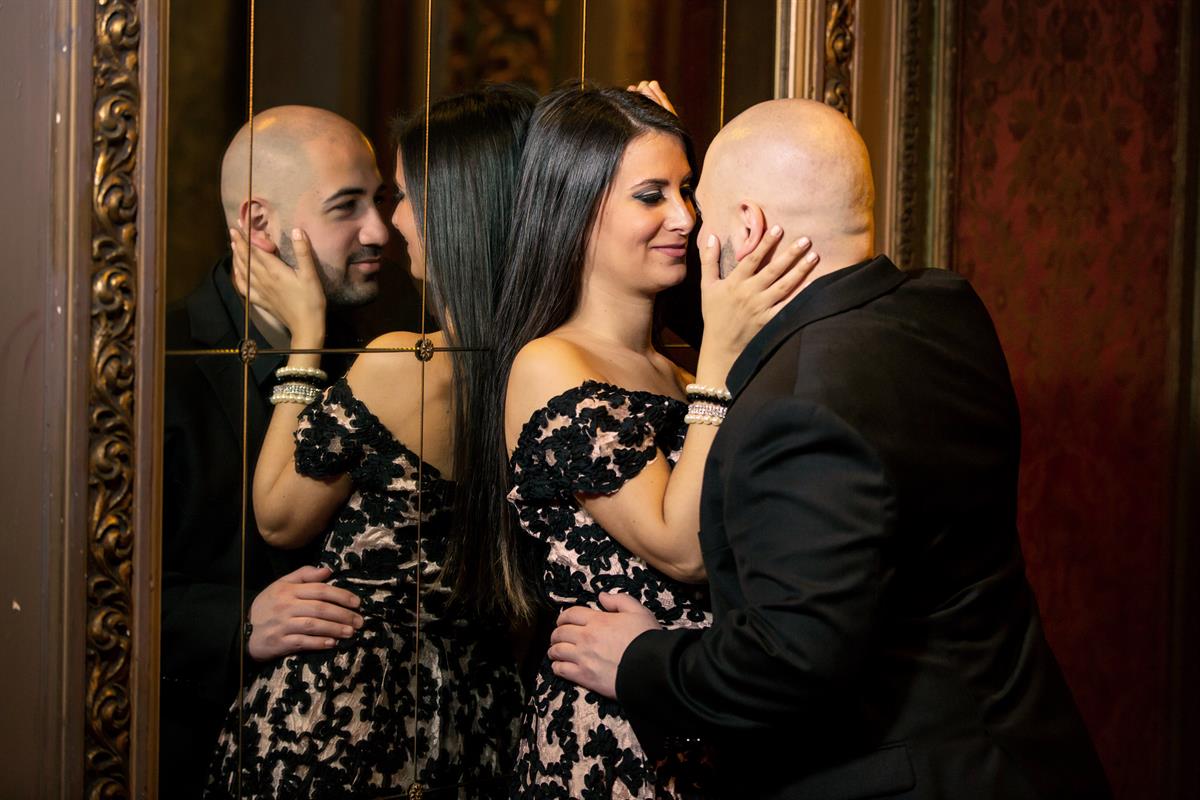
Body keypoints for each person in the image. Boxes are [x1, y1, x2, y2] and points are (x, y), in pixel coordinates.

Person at [549, 98, 1112, 799]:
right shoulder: (945, 307)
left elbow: (788, 666)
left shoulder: (798, 404)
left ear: (747, 227)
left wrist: (639, 660)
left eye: (701, 207)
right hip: (1023, 756)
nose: (692, 230)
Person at [465, 84, 818, 798]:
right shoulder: (550, 362)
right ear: (575, 209)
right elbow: (681, 548)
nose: (683, 217)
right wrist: (719, 359)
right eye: (650, 195)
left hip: (700, 719)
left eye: (686, 191)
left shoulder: (679, 373)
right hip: (611, 737)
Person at [206, 84, 536, 799]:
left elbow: (279, 517)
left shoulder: (401, 360)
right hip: (485, 720)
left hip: (355, 719)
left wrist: (306, 342)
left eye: (400, 197)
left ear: (461, 211)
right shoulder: (549, 362)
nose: (390, 227)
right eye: (351, 204)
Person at [161, 105, 396, 799]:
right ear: (259, 224)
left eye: (380, 200)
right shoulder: (157, 364)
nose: (379, 231)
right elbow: (81, 589)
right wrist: (237, 622)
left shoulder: (379, 351)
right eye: (347, 207)